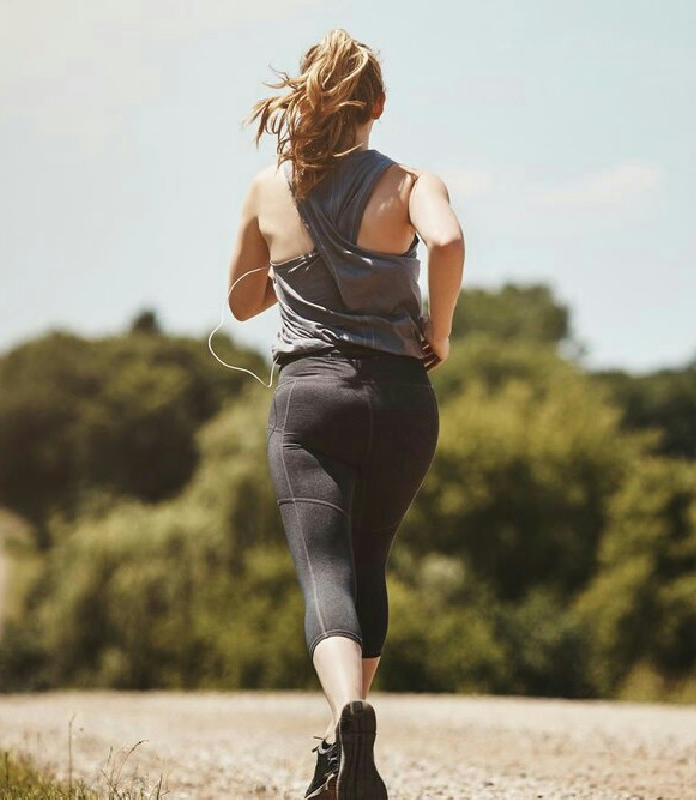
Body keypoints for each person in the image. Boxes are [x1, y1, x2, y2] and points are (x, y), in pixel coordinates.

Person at [226, 28, 465, 800]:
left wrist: (293, 269)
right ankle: (342, 752)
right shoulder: (410, 181)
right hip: (401, 398)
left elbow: (239, 300)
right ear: (380, 106)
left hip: (312, 397)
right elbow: (449, 241)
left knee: (324, 571)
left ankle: (348, 715)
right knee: (369, 563)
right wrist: (439, 330)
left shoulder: (270, 188)